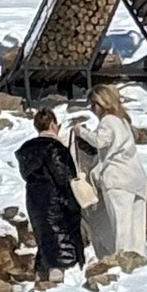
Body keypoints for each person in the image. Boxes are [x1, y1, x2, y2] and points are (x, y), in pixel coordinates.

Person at [70, 81, 147, 258]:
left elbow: (100, 141)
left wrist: (81, 132)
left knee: (121, 228)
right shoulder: (123, 122)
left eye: (93, 104)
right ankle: (139, 261)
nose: (91, 109)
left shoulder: (108, 121)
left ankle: (122, 262)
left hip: (118, 179)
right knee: (137, 230)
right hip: (136, 178)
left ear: (102, 103)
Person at [16, 105, 89, 280]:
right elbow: (64, 178)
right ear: (53, 125)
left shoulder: (26, 151)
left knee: (45, 241)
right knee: (61, 244)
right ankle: (57, 285)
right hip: (57, 201)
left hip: (35, 201)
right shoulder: (55, 148)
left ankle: (43, 279)